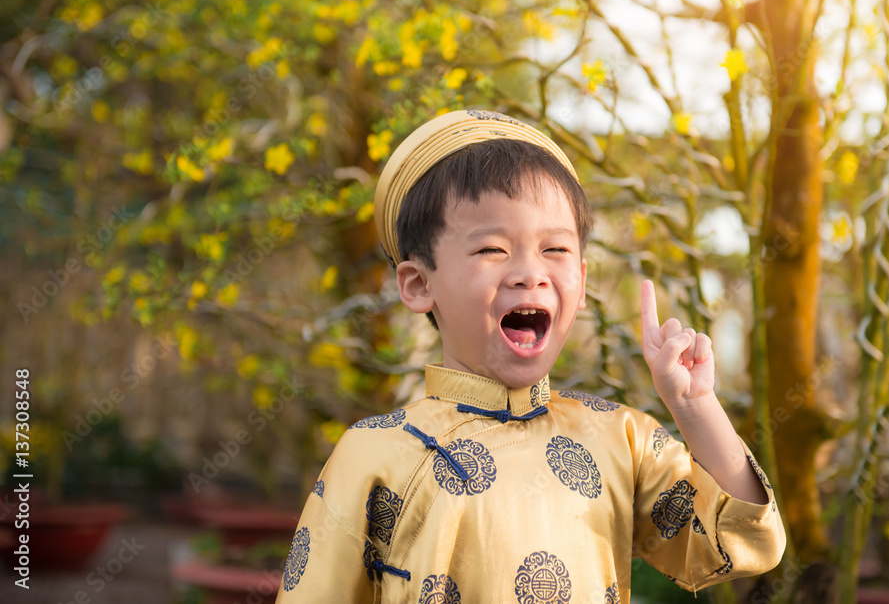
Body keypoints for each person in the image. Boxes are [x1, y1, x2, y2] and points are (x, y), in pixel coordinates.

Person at [276, 109, 785, 603]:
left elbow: (741, 542)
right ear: (417, 283)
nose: (529, 273)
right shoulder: (375, 453)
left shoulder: (621, 439)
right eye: (492, 249)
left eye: (555, 250)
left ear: (581, 283)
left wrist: (696, 408)